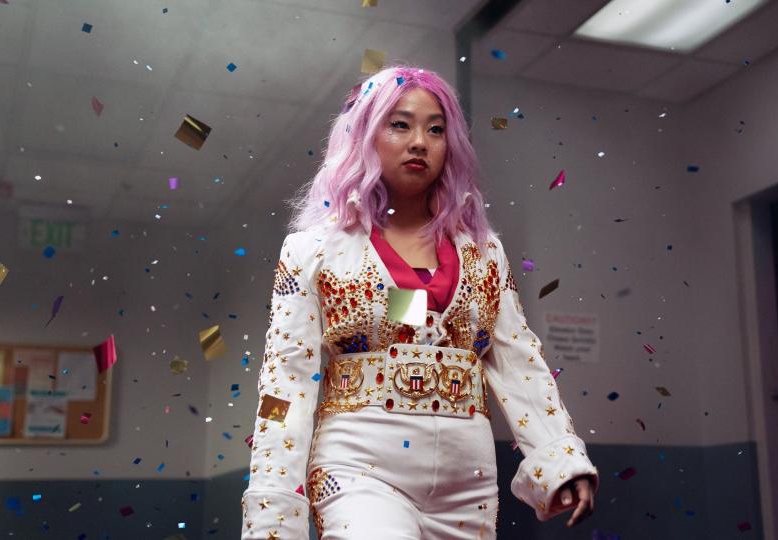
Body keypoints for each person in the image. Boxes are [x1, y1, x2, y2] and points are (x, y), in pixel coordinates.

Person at [241, 64, 598, 540]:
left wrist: (561, 459)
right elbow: (286, 386)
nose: (419, 142)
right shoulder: (313, 250)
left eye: (436, 129)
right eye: (400, 124)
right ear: (365, 135)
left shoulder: (484, 250)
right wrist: (273, 517)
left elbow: (517, 359)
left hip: (467, 480)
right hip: (357, 466)